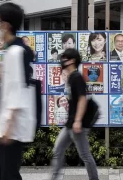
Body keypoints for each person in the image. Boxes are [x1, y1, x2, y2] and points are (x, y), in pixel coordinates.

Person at [0, 2, 36, 180]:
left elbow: (17, 93)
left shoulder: (15, 53)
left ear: (6, 25)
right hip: (9, 128)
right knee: (2, 174)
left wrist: (8, 130)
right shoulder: (13, 51)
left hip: (12, 130)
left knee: (6, 175)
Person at [51, 48, 99, 180]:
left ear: (72, 61)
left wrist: (78, 120)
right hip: (70, 124)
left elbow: (82, 100)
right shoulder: (72, 77)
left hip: (78, 125)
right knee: (57, 151)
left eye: (65, 59)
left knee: (85, 155)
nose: (62, 61)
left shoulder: (77, 78)